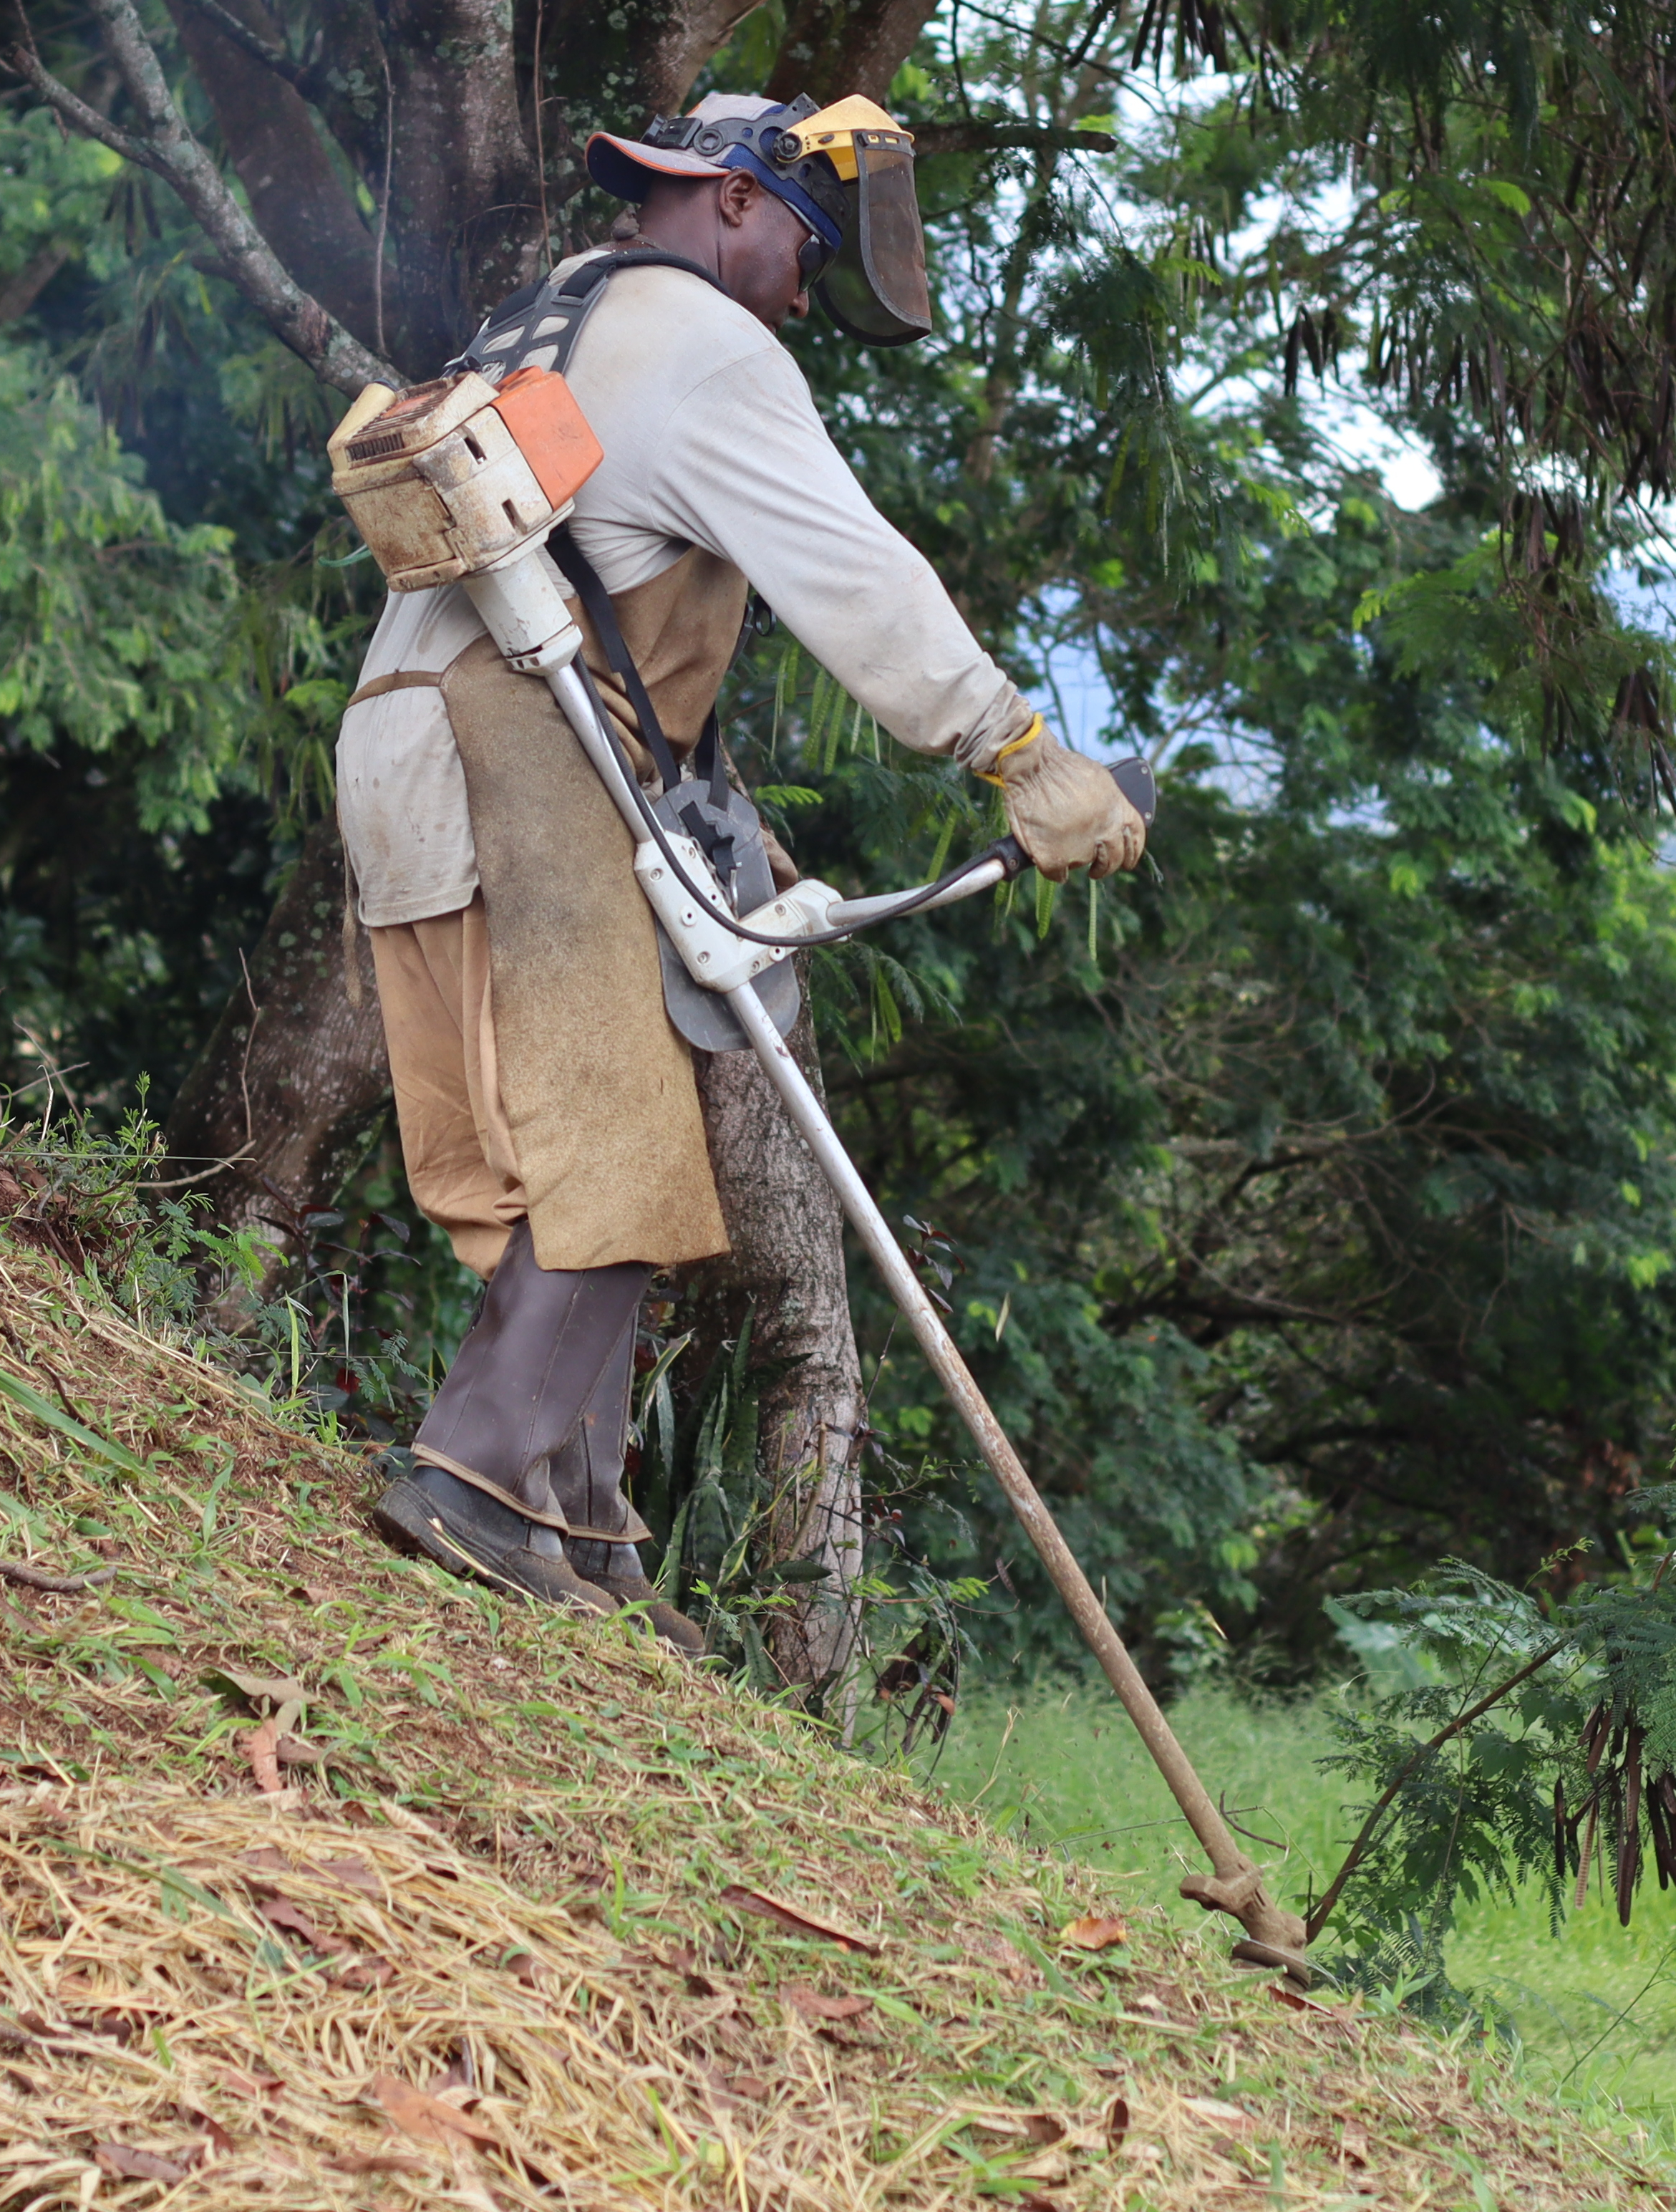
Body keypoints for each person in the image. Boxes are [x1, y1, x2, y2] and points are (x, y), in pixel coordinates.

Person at [333, 93, 1146, 1644]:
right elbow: (854, 569)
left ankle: (576, 1528)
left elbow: (597, 585)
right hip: (521, 755)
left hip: (401, 738)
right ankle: (478, 1476)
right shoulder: (702, 338)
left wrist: (701, 803)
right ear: (725, 202)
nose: (801, 282)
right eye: (797, 242)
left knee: (533, 1130)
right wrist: (1021, 755)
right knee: (623, 1144)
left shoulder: (548, 315)